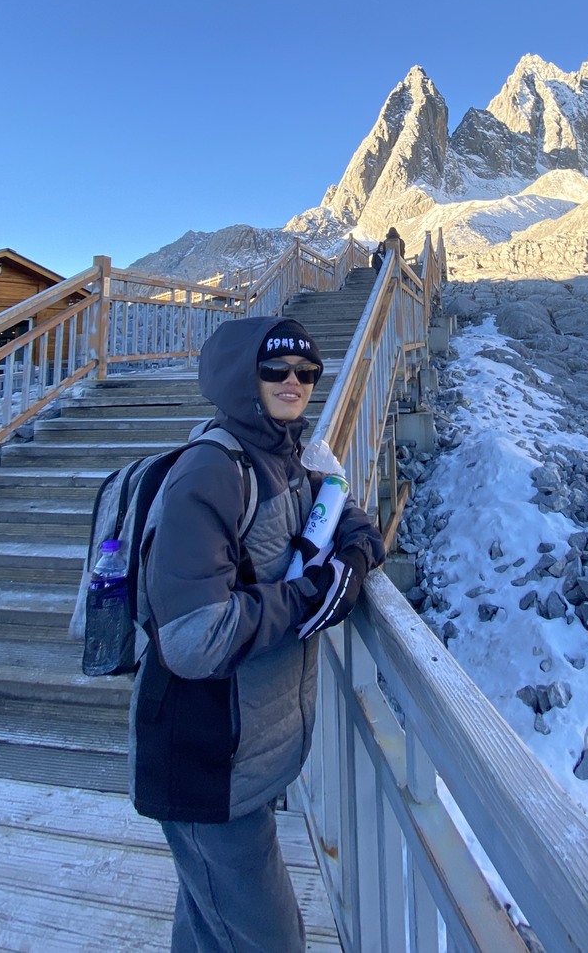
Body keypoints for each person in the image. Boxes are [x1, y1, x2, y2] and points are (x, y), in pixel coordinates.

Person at [129, 316, 385, 953]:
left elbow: (341, 509)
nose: (294, 382)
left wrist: (353, 548)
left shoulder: (286, 458)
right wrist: (309, 596)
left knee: (208, 925)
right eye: (276, 370)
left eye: (306, 371)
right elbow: (193, 639)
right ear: (244, 379)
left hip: (242, 758)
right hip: (202, 757)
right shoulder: (210, 472)